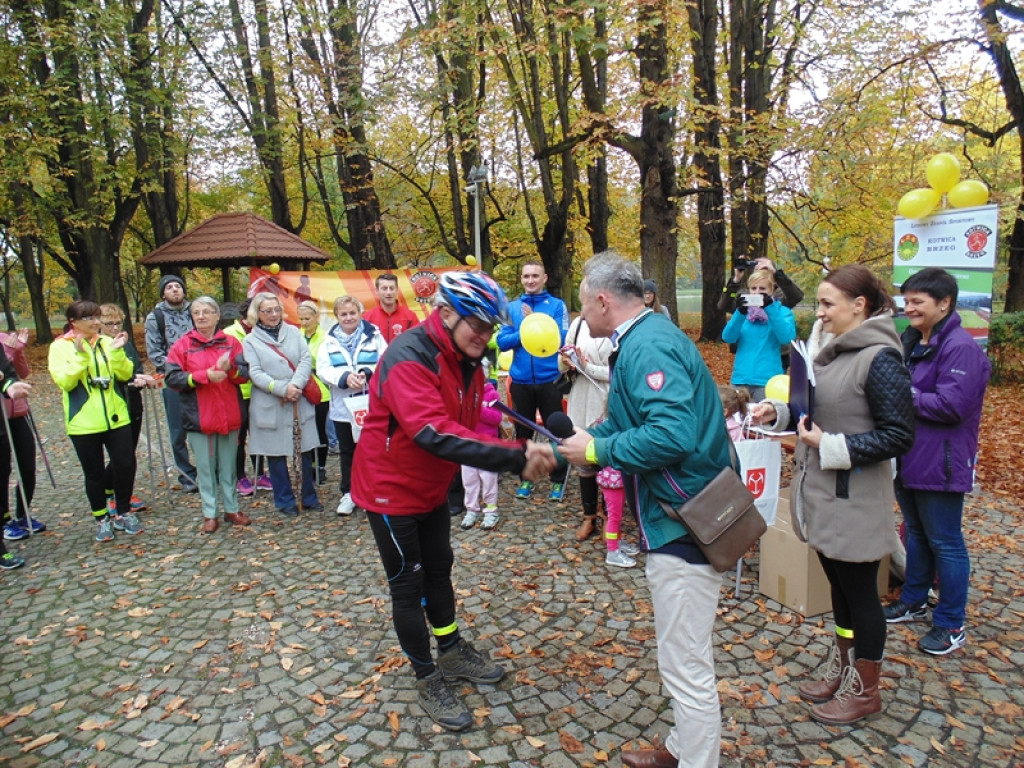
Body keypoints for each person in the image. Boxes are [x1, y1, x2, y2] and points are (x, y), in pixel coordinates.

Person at [350, 271, 555, 732]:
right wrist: (514, 456)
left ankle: (451, 649)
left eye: (489, 327)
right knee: (408, 582)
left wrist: (516, 436)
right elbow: (434, 431)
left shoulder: (467, 356)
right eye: (476, 325)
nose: (484, 336)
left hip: (430, 487)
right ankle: (426, 675)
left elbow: (464, 416)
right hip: (390, 489)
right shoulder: (409, 357)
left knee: (439, 568)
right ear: (445, 313)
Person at [559, 252, 733, 768]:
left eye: (584, 303)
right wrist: (591, 439)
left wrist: (597, 451)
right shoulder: (642, 339)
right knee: (679, 652)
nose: (581, 315)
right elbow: (633, 418)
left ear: (604, 300)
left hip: (686, 517)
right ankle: (683, 748)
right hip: (676, 512)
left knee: (685, 662)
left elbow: (671, 435)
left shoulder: (649, 345)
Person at [752, 264, 914, 726]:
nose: (819, 313)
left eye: (827, 304)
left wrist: (830, 446)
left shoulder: (880, 358)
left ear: (859, 306)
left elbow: (899, 435)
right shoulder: (831, 352)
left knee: (862, 594)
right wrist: (779, 412)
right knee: (839, 591)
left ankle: (866, 690)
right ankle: (844, 668)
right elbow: (816, 409)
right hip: (824, 494)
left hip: (855, 499)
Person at [883, 267, 990, 656]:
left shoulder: (960, 347)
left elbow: (952, 405)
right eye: (906, 301)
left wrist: (901, 394)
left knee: (946, 542)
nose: (908, 308)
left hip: (941, 462)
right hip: (910, 457)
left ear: (944, 304)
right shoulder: (914, 341)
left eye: (917, 302)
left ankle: (950, 623)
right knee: (917, 533)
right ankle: (913, 599)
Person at [49, 301, 142, 541]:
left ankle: (123, 511)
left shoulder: (106, 342)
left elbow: (124, 373)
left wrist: (119, 351)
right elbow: (65, 382)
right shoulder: (60, 347)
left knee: (125, 464)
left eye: (97, 317)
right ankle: (101, 519)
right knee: (94, 473)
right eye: (89, 318)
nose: (95, 322)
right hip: (84, 422)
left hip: (116, 416)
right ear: (74, 322)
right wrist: (80, 358)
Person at [165, 297, 251, 534]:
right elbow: (172, 378)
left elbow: (244, 374)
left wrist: (230, 370)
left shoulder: (231, 343)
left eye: (206, 312)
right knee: (205, 467)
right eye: (196, 312)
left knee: (228, 467)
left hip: (229, 413)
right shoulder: (182, 345)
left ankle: (232, 508)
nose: (201, 316)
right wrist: (201, 376)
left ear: (216, 316)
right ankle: (209, 512)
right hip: (198, 416)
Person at [242, 292, 322, 517]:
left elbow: (305, 359)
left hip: (298, 398)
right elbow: (254, 372)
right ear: (257, 314)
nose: (273, 315)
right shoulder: (250, 341)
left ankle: (308, 496)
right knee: (275, 454)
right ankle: (284, 499)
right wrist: (280, 388)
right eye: (267, 311)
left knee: (304, 450)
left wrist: (295, 385)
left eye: (276, 309)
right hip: (270, 402)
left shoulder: (294, 332)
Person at [496, 260, 569, 500]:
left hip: (549, 380)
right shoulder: (511, 308)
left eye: (535, 276)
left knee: (555, 433)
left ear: (544, 278)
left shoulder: (557, 306)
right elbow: (502, 342)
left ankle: (557, 479)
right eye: (526, 276)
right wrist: (526, 328)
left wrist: (537, 320)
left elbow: (562, 340)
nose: (530, 280)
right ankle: (526, 479)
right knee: (523, 432)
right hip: (521, 382)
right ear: (522, 279)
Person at [316, 295, 387, 516]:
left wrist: (367, 373)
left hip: (369, 404)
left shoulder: (374, 335)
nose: (348, 318)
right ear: (337, 316)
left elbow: (385, 361)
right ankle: (349, 492)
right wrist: (345, 377)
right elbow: (323, 369)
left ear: (359, 313)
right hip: (343, 406)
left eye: (352, 313)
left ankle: (372, 492)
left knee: (372, 450)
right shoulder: (329, 340)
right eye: (343, 314)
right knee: (348, 451)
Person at [557, 315, 612, 541]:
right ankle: (589, 516)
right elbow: (560, 366)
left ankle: (610, 514)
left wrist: (588, 367)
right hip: (580, 397)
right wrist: (566, 361)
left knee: (608, 460)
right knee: (583, 459)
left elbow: (620, 372)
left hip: (607, 400)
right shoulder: (579, 323)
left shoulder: (619, 323)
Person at [145, 274, 198, 492]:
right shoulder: (155, 317)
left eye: (178, 286)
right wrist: (176, 368)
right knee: (178, 429)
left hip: (199, 376)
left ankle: (208, 470)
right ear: (163, 293)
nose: (175, 290)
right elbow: (154, 352)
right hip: (173, 379)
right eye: (169, 287)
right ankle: (186, 474)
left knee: (204, 424)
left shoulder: (197, 312)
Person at [98, 304, 151, 514]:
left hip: (133, 402)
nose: (113, 327)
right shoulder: (98, 345)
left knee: (129, 453)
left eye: (117, 322)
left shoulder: (126, 343)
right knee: (121, 456)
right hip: (113, 406)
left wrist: (140, 378)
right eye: (108, 323)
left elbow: (135, 368)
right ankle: (110, 492)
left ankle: (124, 492)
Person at [721, 267, 796, 401]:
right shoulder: (743, 313)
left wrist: (770, 308)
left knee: (764, 420)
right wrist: (740, 313)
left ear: (772, 290)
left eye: (762, 289)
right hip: (741, 379)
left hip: (767, 381)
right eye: (753, 288)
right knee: (737, 420)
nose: (757, 292)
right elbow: (728, 337)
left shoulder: (782, 312)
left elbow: (786, 337)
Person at [223, 298, 271, 496]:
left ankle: (260, 473)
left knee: (260, 434)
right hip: (238, 392)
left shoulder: (265, 330)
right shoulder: (229, 334)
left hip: (260, 390)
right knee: (239, 437)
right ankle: (239, 476)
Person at [0, 330, 43, 544]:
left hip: (19, 413)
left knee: (27, 466)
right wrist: (9, 350)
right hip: (2, 416)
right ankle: (5, 520)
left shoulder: (5, 337)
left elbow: (21, 373)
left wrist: (18, 351)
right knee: (3, 469)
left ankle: (23, 512)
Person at [458, 380, 503, 531]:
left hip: (487, 445)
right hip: (468, 444)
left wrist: (478, 409)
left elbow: (496, 419)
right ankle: (472, 509)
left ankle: (491, 511)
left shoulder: (492, 394)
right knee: (469, 479)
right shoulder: (462, 394)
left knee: (488, 478)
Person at [297, 300, 331, 485]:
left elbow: (323, 361)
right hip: (301, 387)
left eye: (307, 318)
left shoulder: (325, 337)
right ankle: (307, 464)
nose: (303, 322)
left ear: (317, 317)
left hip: (320, 388)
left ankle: (321, 466)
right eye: (301, 318)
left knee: (319, 428)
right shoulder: (296, 335)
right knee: (304, 428)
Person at [363, 273, 419, 344]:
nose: (388, 292)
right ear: (377, 291)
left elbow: (416, 343)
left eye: (392, 288)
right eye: (384, 288)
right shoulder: (367, 318)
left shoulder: (410, 316)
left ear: (397, 290)